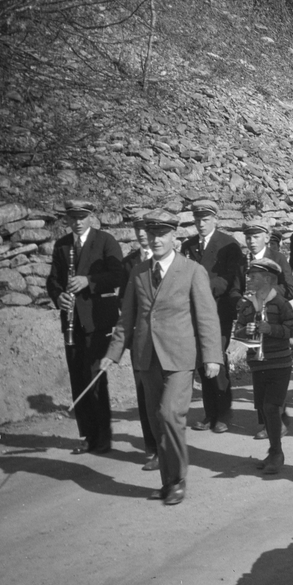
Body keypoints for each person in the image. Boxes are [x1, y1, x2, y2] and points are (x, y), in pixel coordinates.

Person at [100, 209, 224, 506]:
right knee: (157, 422)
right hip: (145, 357)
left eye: (162, 234)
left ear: (173, 237)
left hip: (179, 357)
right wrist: (113, 353)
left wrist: (211, 357)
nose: (156, 240)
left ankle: (179, 479)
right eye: (151, 234)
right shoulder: (139, 271)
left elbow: (207, 317)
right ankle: (167, 482)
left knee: (170, 415)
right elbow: (126, 317)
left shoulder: (192, 270)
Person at [46, 199, 126, 455]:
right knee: (78, 378)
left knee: (94, 379)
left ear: (91, 216)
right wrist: (59, 296)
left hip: (97, 321)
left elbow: (118, 275)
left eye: (82, 217)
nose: (78, 222)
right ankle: (88, 435)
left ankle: (103, 436)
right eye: (73, 218)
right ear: (67, 220)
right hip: (72, 322)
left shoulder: (105, 241)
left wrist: (88, 281)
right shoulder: (62, 245)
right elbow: (53, 281)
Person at [182, 199, 246, 434]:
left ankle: (223, 413)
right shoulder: (188, 246)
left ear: (215, 220)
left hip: (218, 311)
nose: (201, 223)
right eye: (198, 219)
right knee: (201, 360)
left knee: (216, 359)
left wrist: (202, 287)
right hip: (194, 313)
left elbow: (231, 279)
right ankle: (210, 413)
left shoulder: (228, 245)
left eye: (206, 219)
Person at [238, 258, 293, 475]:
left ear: (268, 279)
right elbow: (238, 329)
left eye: (254, 277)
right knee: (264, 409)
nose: (250, 280)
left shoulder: (280, 303)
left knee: (272, 407)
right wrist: (247, 330)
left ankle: (277, 453)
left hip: (280, 363)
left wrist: (270, 329)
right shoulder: (246, 304)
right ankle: (273, 451)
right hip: (257, 363)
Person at [121, 209, 158, 470]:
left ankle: (169, 448)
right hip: (141, 340)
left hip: (167, 342)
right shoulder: (129, 264)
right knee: (145, 394)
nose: (142, 235)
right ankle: (152, 448)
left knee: (165, 401)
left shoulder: (171, 261)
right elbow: (124, 303)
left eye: (146, 230)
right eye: (138, 230)